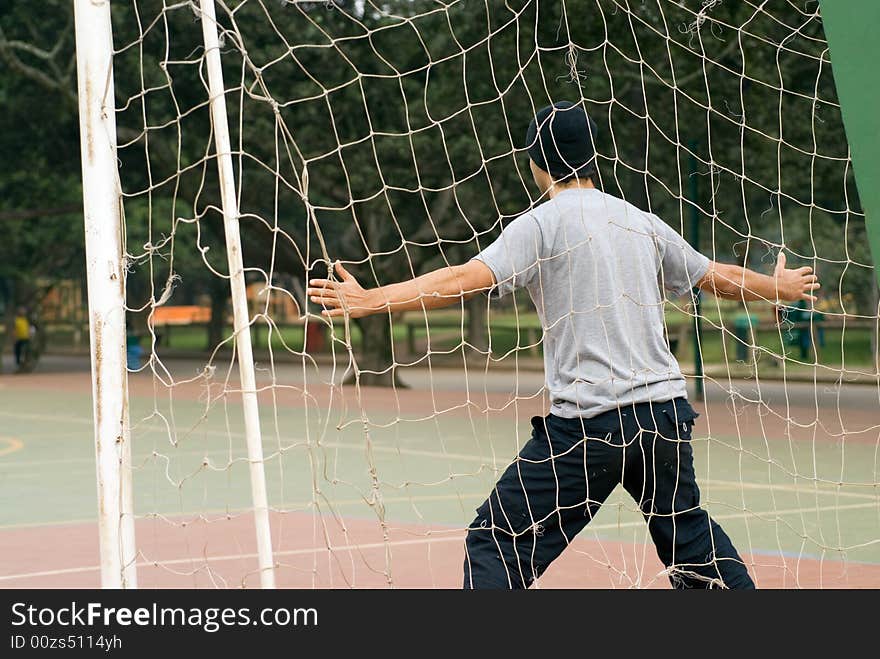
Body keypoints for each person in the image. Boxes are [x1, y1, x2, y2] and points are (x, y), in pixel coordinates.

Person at [306, 101, 820, 589]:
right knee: (689, 543)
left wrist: (372, 299)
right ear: (592, 158)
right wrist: (782, 289)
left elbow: (465, 278)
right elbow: (719, 277)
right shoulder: (641, 221)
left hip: (591, 426)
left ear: (535, 164)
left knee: (495, 541)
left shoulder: (540, 225)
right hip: (664, 418)